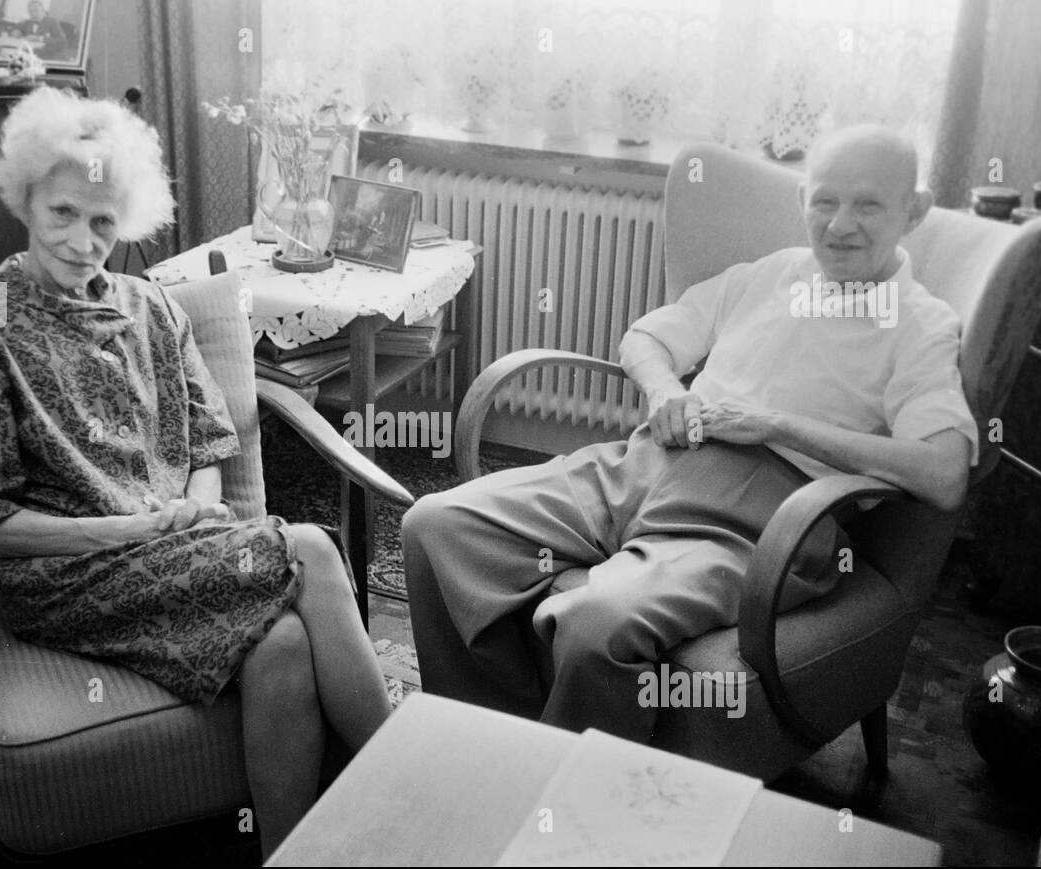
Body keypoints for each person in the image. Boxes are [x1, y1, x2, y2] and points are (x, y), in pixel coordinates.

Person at [402, 125, 978, 744]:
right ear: (802, 202)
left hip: (762, 519)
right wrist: (666, 391)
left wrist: (781, 426)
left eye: (867, 205)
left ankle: (577, 801)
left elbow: (943, 474)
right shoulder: (770, 274)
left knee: (597, 623)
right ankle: (487, 741)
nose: (839, 226)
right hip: (645, 465)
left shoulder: (920, 323)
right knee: (435, 526)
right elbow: (646, 339)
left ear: (912, 212)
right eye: (824, 202)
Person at [0, 87, 391, 858]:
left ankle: (290, 855)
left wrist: (196, 509)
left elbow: (210, 444)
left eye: (103, 222)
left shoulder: (154, 308)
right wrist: (135, 527)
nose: (83, 241)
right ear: (25, 200)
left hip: (173, 547)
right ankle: (407, 782)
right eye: (63, 214)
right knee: (308, 546)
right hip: (67, 574)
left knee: (279, 647)